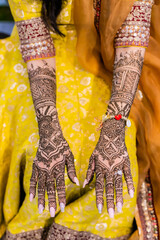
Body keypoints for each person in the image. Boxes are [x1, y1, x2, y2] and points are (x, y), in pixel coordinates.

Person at [0, 0, 159, 239]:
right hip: (44, 47)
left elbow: (132, 34)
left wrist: (115, 128)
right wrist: (49, 131)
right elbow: (35, 41)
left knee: (115, 150)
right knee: (38, 147)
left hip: (113, 51)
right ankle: (34, 223)